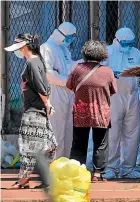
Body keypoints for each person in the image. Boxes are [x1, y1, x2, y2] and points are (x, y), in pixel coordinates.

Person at [5, 34, 57, 189]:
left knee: (29, 146)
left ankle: (24, 179)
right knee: (47, 144)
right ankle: (45, 179)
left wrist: (47, 104)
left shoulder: (33, 63)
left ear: (24, 46)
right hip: (37, 109)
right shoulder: (36, 61)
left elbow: (41, 86)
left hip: (34, 111)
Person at [103, 27, 140, 179]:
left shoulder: (135, 53)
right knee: (113, 133)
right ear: (117, 41)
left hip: (132, 96)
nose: (128, 46)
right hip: (114, 97)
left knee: (132, 133)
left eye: (130, 43)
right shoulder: (108, 52)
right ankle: (111, 167)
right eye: (125, 43)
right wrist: (112, 75)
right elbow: (100, 72)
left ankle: (129, 168)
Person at [66, 40, 117, 182]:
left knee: (78, 142)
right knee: (100, 143)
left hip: (81, 112)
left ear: (85, 53)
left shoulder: (77, 69)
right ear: (102, 54)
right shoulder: (107, 72)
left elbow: (69, 85)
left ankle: (77, 172)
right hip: (101, 113)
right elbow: (113, 91)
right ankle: (98, 174)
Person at [40, 22, 77, 158]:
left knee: (67, 132)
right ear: (61, 35)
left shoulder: (63, 49)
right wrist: (67, 81)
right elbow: (47, 74)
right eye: (70, 37)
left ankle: (63, 163)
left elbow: (68, 67)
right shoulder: (47, 48)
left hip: (67, 92)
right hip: (55, 92)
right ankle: (53, 165)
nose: (71, 40)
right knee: (56, 130)